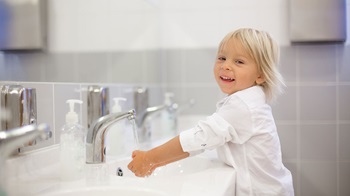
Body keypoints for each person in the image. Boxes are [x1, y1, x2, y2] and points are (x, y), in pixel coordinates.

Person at [128, 28, 294, 195]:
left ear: (261, 75)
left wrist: (149, 158)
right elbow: (201, 141)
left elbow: (198, 138)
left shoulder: (243, 105)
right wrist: (159, 162)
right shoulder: (250, 100)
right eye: (222, 58)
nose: (226, 66)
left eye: (239, 62)